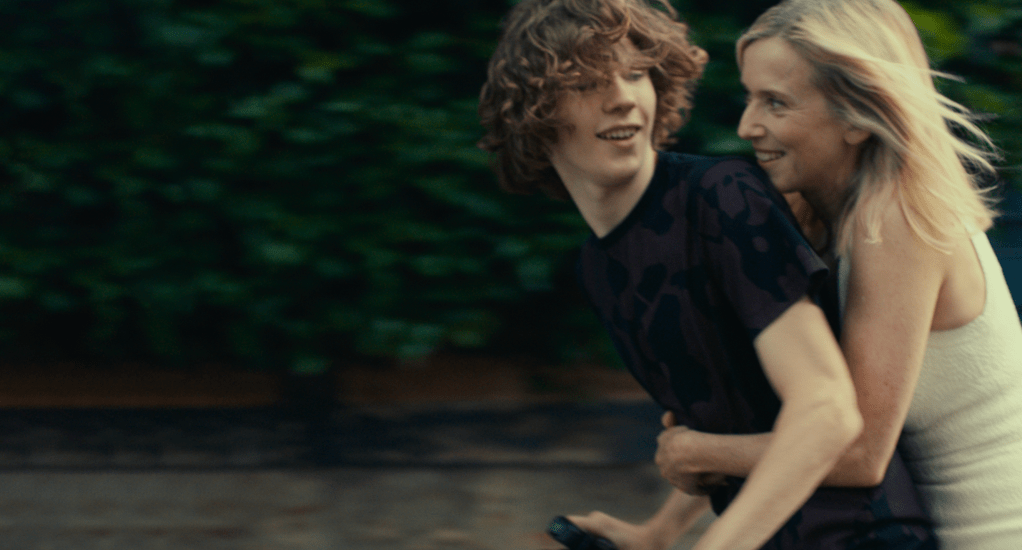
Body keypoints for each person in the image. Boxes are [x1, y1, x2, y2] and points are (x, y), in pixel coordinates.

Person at [477, 0, 935, 548]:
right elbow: (734, 417)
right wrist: (658, 533)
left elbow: (826, 412)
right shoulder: (598, 267)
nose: (623, 98)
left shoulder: (722, 196)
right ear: (533, 112)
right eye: (586, 82)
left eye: (635, 74)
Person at [654, 0, 1022, 548]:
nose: (747, 126)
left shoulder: (896, 221)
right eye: (750, 97)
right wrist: (658, 532)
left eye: (776, 103)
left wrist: (699, 451)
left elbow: (857, 453)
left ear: (856, 116)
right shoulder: (823, 215)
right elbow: (788, 414)